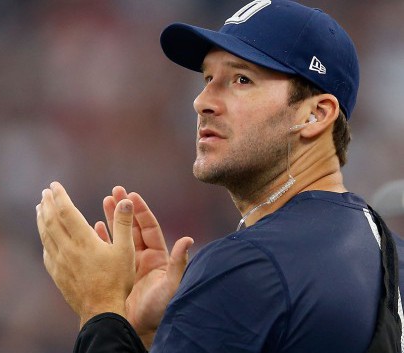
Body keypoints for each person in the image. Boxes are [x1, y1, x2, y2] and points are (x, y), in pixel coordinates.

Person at [35, 1, 404, 352]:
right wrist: (147, 336)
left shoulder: (250, 264)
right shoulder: (391, 254)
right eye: (208, 77)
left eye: (241, 80)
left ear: (315, 115)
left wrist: (100, 309)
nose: (202, 101)